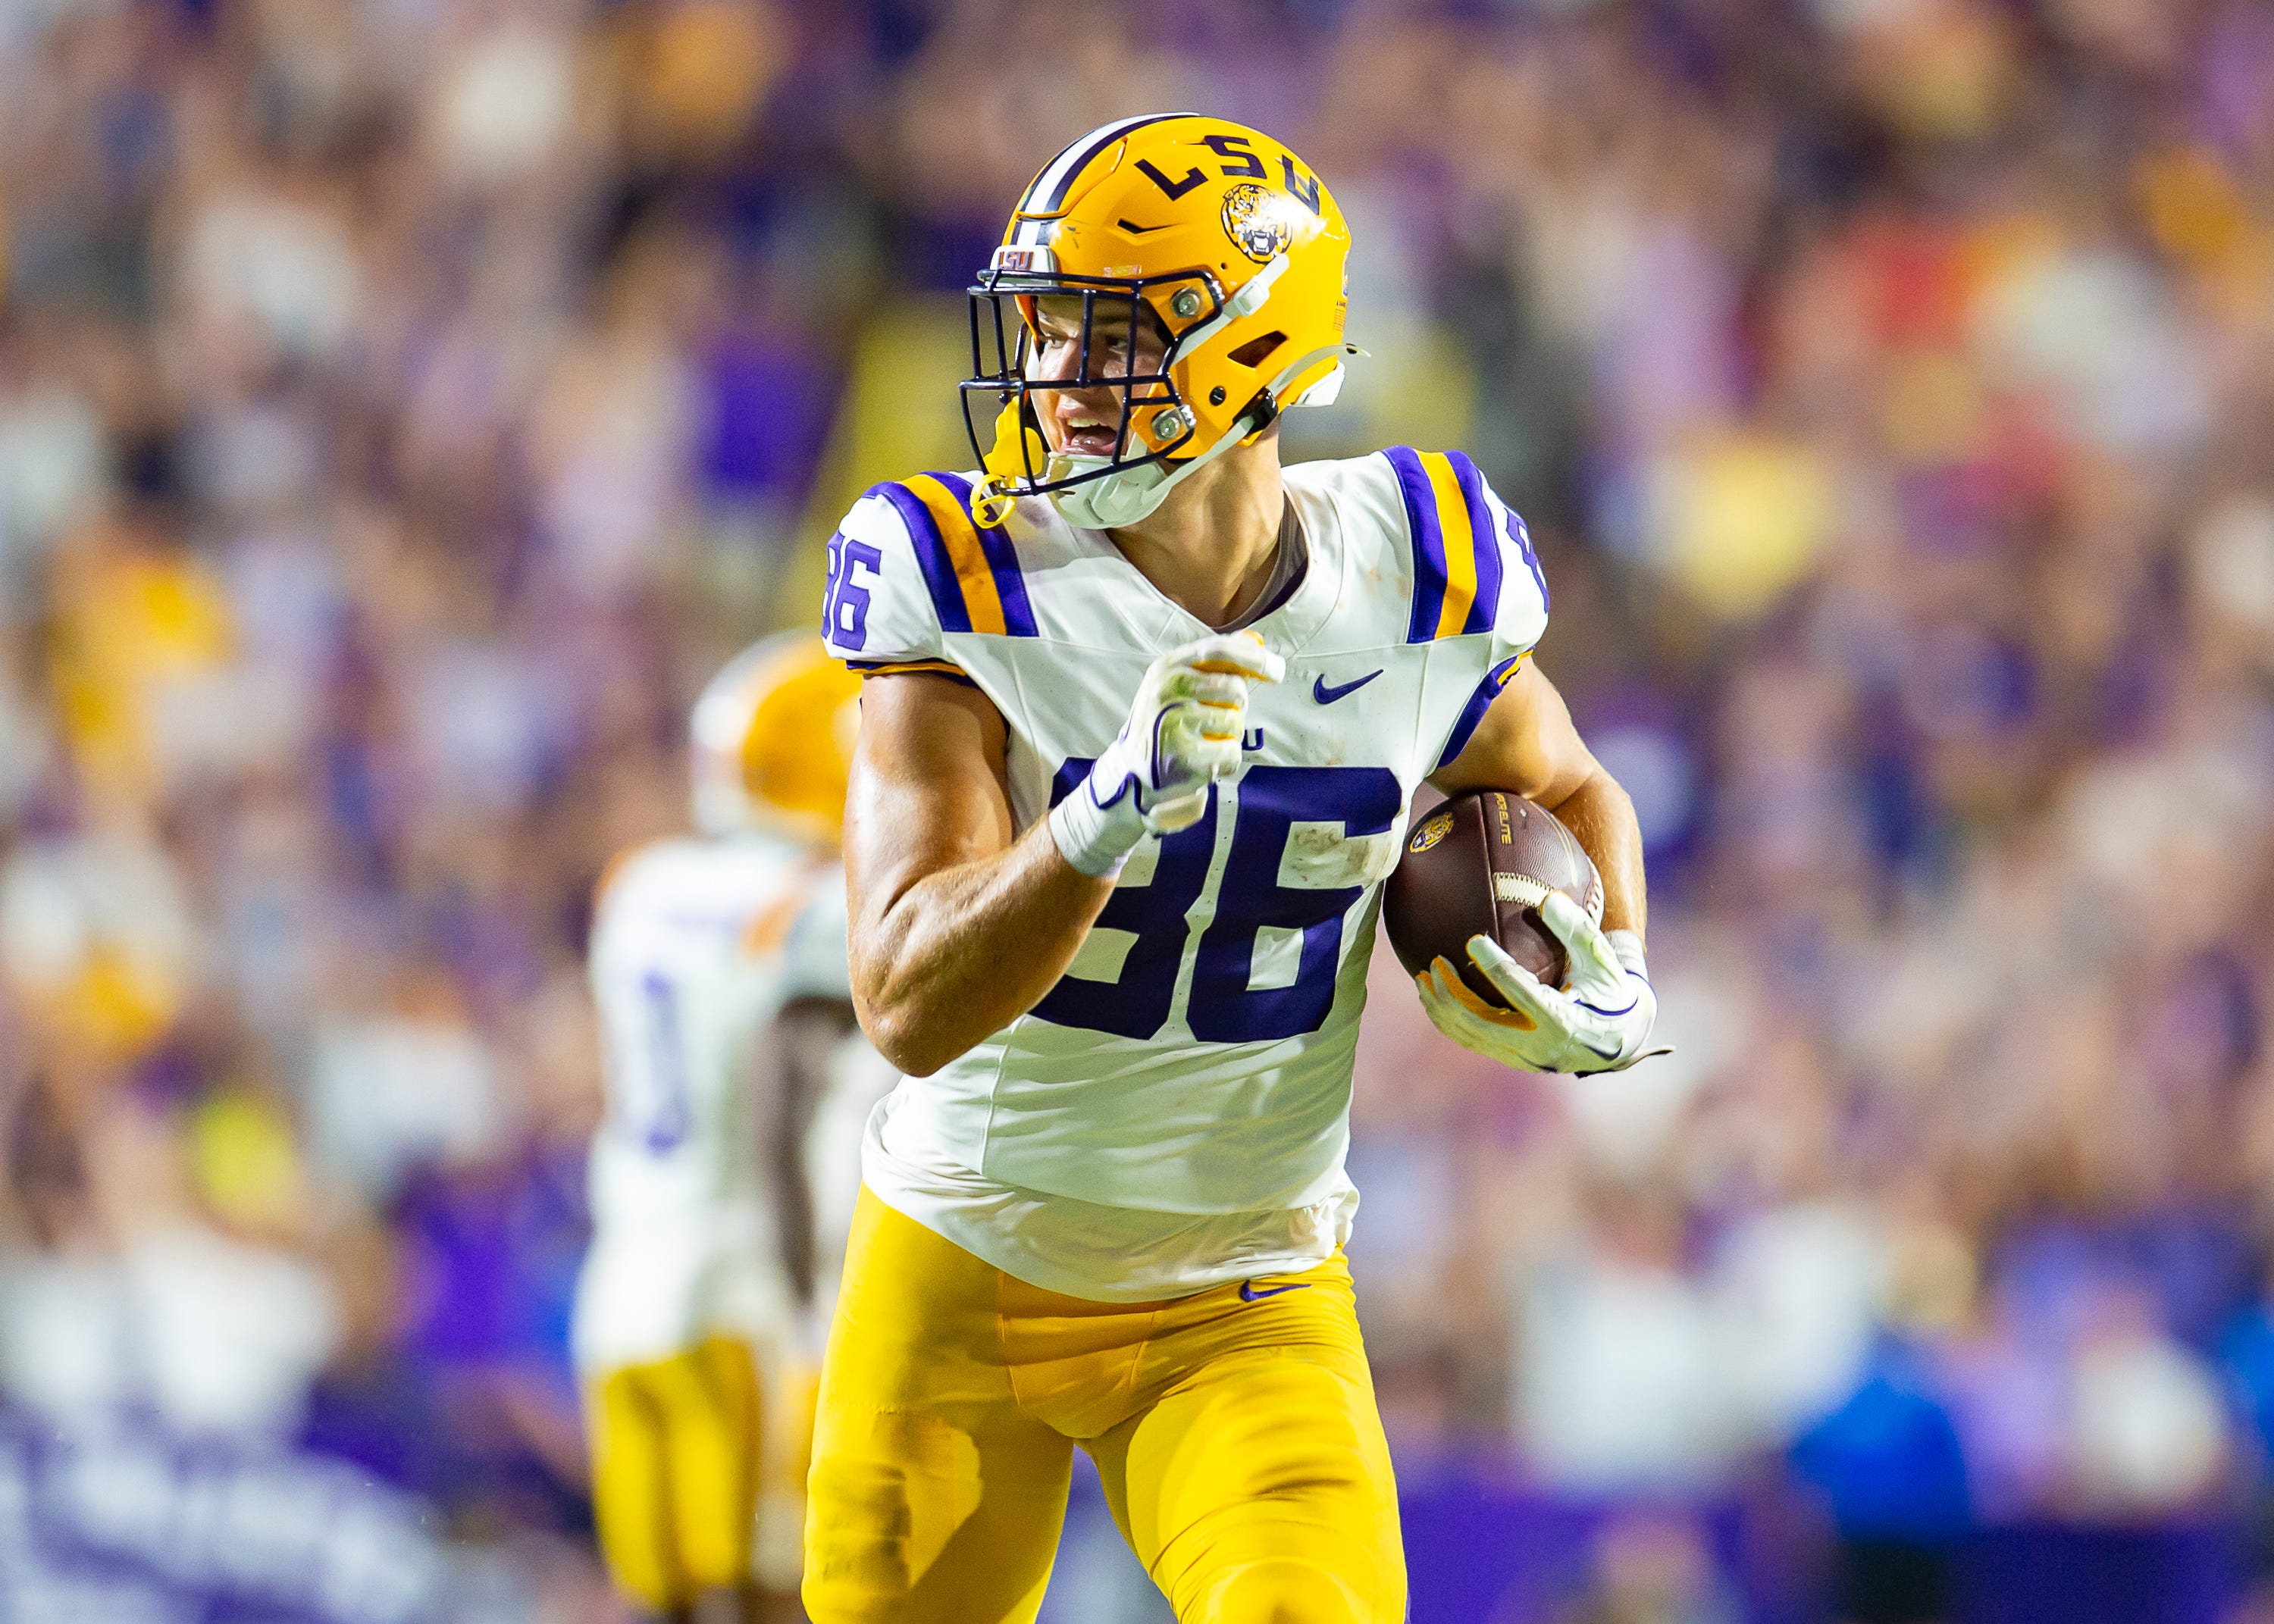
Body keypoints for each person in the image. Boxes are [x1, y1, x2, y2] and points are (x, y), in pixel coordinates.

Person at [807, 114, 1665, 1624]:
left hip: (1243, 1289)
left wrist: (1611, 961)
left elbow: (1566, 786)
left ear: (1249, 346)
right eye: (1044, 334)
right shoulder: (963, 575)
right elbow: (904, 998)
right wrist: (1103, 815)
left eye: (1106, 338)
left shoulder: (1418, 561)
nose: (1056, 386)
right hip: (961, 1261)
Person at [574, 634, 866, 1623]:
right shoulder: (801, 909)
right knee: (770, 1599)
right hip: (733, 1289)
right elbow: (785, 1101)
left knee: (660, 1602)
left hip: (621, 1290)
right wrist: (800, 1306)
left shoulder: (642, 885)